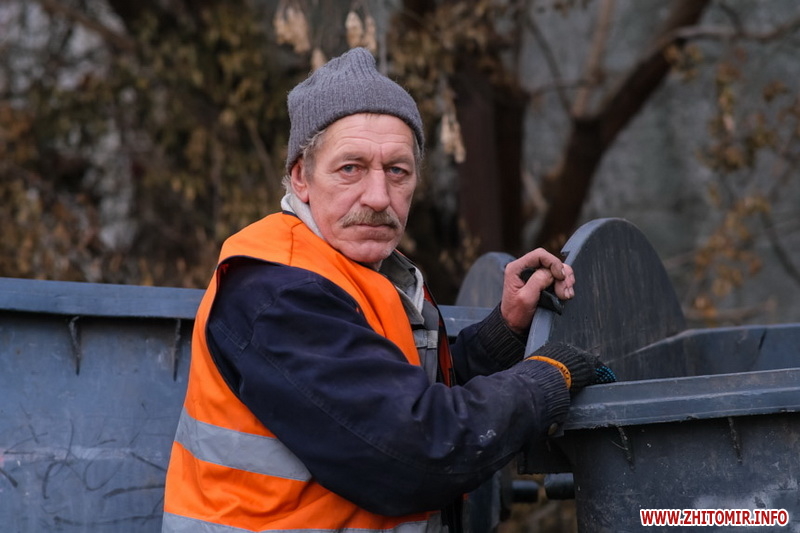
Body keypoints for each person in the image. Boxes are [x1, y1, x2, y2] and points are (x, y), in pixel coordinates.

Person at [161, 47, 613, 533]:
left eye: (397, 170)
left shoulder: (353, 269)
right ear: (301, 177)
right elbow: (416, 451)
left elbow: (399, 398)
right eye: (350, 168)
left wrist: (504, 332)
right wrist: (546, 379)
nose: (378, 197)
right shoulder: (281, 292)